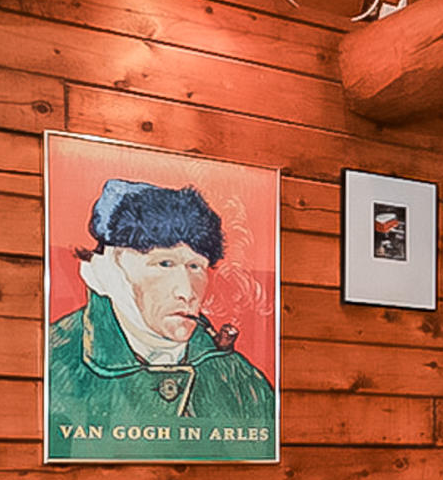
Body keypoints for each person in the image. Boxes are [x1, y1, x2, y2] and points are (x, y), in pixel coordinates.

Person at [46, 178, 276, 460]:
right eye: (163, 264)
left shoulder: (240, 379)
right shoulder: (55, 364)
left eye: (195, 266)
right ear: (110, 270)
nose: (187, 291)